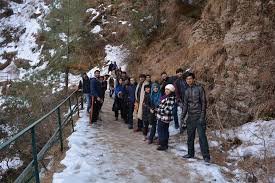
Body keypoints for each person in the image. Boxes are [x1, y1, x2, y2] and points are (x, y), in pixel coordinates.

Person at [181, 72, 210, 162]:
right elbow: (185, 105)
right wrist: (182, 117)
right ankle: (190, 153)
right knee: (190, 137)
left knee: (202, 137)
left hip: (199, 116)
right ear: (186, 81)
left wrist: (202, 116)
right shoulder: (186, 91)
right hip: (190, 116)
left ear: (193, 79)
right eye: (187, 79)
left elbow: (204, 103)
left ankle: (206, 156)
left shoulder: (199, 88)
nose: (189, 80)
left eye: (190, 78)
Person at [156, 84, 176, 151]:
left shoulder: (171, 98)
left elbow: (168, 110)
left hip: (165, 117)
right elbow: (161, 106)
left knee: (162, 131)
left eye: (168, 89)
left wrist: (158, 110)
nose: (166, 91)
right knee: (164, 130)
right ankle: (164, 144)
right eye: (165, 89)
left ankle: (163, 144)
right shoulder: (165, 97)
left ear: (171, 90)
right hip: (162, 117)